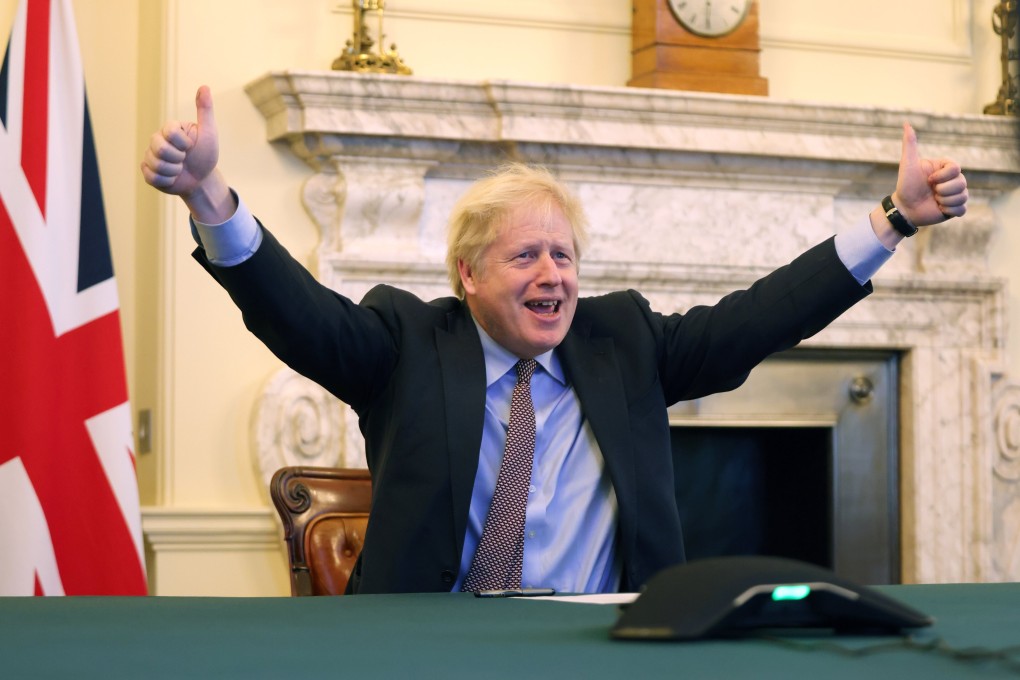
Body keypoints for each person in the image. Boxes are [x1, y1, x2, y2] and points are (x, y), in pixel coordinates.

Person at [141, 86, 968, 594]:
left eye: (564, 255)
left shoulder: (625, 343)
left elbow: (762, 315)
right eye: (526, 255)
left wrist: (891, 223)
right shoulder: (407, 342)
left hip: (603, 647)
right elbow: (301, 315)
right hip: (433, 649)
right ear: (467, 274)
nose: (554, 275)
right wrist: (211, 197)